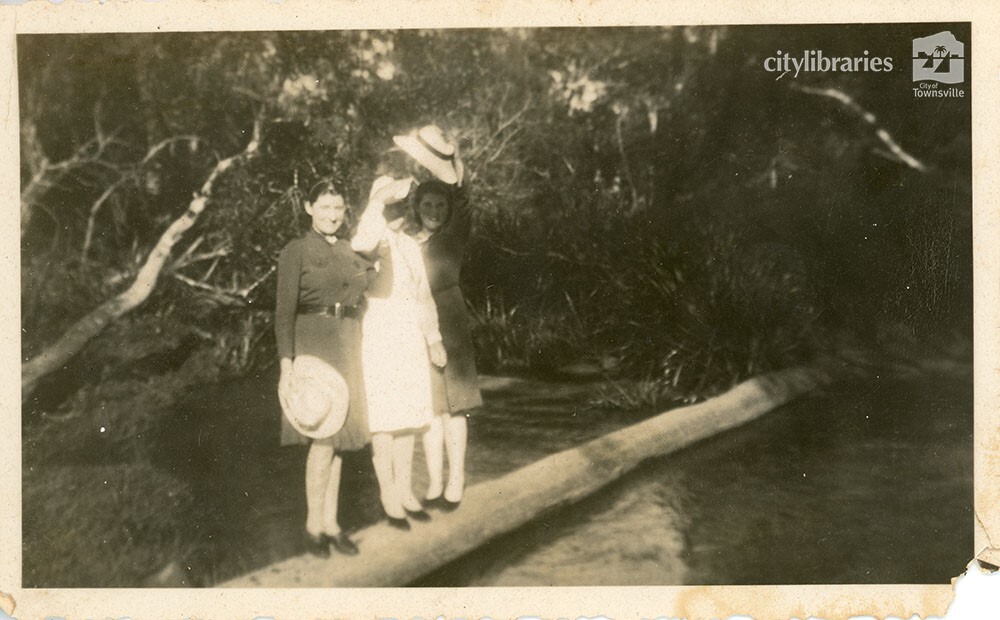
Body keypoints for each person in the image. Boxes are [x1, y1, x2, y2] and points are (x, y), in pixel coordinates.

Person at [274, 180, 374, 557]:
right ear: (308, 208)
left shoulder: (350, 250)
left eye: (338, 208)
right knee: (322, 440)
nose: (332, 215)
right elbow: (283, 313)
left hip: (347, 341)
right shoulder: (296, 251)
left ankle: (332, 523)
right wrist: (288, 364)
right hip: (314, 345)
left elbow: (373, 278)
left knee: (340, 440)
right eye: (324, 207)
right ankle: (313, 526)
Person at [394, 126, 484, 510]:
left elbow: (463, 197)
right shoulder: (406, 240)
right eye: (428, 206)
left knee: (456, 404)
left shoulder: (454, 234)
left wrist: (450, 158)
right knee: (429, 409)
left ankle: (456, 479)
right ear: (418, 207)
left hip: (450, 319)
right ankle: (433, 483)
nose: (435, 212)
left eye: (440, 206)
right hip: (416, 323)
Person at [352, 175, 447, 530]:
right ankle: (388, 494)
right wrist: (378, 198)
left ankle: (406, 490)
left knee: (410, 417)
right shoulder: (369, 242)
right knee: (384, 421)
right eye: (389, 205)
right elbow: (362, 236)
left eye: (399, 205)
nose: (396, 212)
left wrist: (433, 338)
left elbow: (423, 296)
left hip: (409, 338)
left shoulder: (409, 245)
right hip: (380, 337)